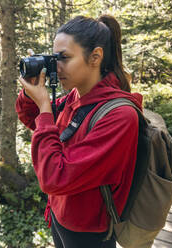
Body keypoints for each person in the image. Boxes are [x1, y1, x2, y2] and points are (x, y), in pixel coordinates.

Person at [15, 15, 143, 248]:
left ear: (95, 57)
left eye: (64, 58)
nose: (56, 66)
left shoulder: (120, 116)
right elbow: (35, 121)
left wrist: (45, 106)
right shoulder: (77, 96)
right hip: (59, 214)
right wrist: (31, 92)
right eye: (54, 58)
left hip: (89, 232)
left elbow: (55, 177)